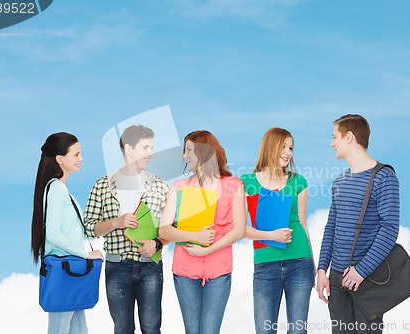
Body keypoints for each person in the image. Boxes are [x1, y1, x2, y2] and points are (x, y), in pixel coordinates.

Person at [316, 114, 400, 334]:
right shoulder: (339, 182)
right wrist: (323, 269)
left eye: (335, 137)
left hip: (367, 279)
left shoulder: (384, 176)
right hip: (336, 280)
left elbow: (390, 228)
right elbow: (331, 227)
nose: (331, 143)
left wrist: (361, 271)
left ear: (350, 137)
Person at [83, 125, 169, 334]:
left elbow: (172, 227)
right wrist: (116, 222)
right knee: (122, 329)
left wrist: (156, 244)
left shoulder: (160, 185)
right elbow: (89, 227)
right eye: (145, 147)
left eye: (151, 147)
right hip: (117, 267)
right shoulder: (103, 185)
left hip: (150, 267)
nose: (150, 153)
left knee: (151, 328)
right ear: (128, 148)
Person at [158, 130, 246, 334]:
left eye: (188, 150)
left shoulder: (234, 186)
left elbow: (239, 230)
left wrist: (207, 250)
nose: (184, 156)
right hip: (185, 269)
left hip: (219, 269)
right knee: (192, 331)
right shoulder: (179, 187)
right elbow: (164, 230)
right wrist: (194, 237)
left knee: (209, 331)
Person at [241, 127, 315, 334]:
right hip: (265, 264)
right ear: (269, 146)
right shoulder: (247, 182)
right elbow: (239, 229)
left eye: (291, 148)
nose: (288, 152)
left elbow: (303, 223)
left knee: (298, 330)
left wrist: (314, 267)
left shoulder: (298, 181)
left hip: (300, 262)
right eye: (283, 146)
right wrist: (271, 236)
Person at [31, 132, 104, 334]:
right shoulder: (56, 189)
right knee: (60, 329)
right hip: (65, 269)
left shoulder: (61, 189)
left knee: (79, 329)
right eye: (76, 154)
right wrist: (86, 254)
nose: (81, 159)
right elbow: (53, 234)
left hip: (70, 270)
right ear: (60, 159)